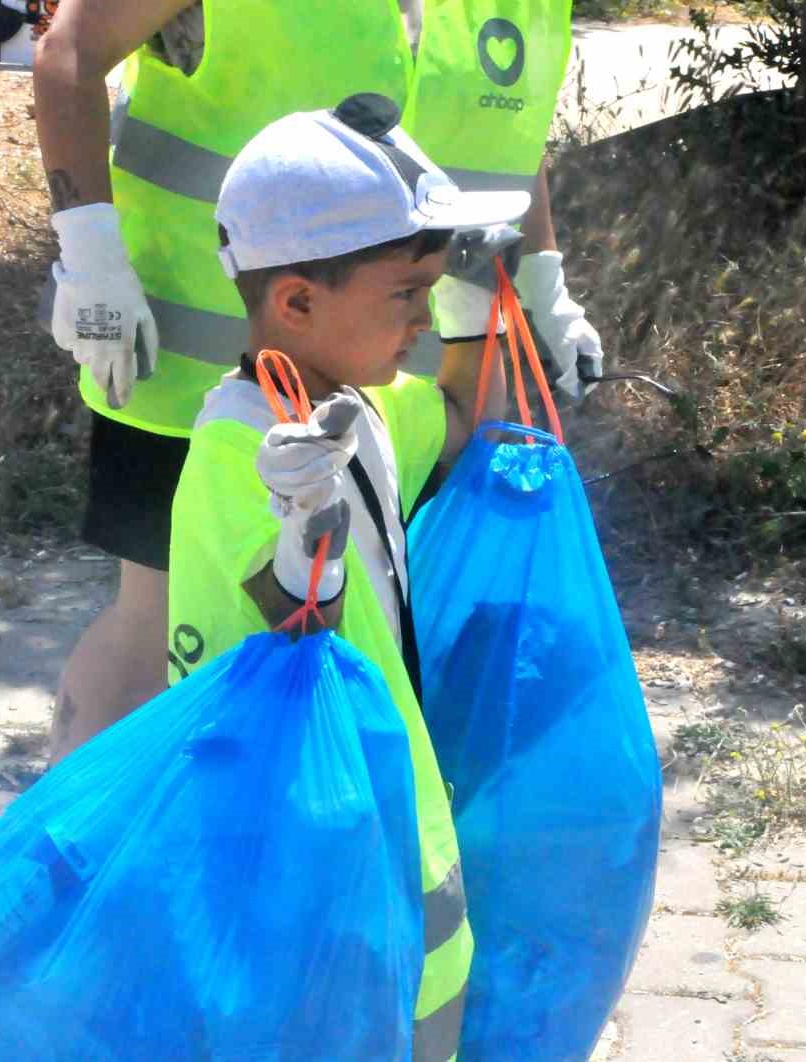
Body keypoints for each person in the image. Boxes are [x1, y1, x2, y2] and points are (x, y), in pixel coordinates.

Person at [32, 0, 605, 763]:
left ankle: (312, 847)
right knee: (158, 622)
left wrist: (544, 275)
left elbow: (499, 130)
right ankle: (92, 855)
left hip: (397, 381)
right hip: (189, 375)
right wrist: (90, 248)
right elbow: (69, 50)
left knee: (367, 612)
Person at [165, 91, 526, 1061]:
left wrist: (486, 300)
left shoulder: (362, 406)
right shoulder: (239, 455)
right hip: (300, 831)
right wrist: (298, 531)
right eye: (403, 295)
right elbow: (295, 629)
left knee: (425, 1012)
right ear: (295, 302)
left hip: (387, 801)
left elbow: (454, 419)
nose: (417, 321)